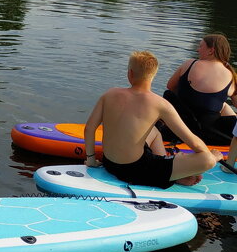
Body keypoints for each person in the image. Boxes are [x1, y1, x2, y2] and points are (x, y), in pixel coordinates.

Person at [84, 50, 221, 188]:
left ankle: (169, 172)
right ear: (153, 76)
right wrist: (213, 155)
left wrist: (91, 159)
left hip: (109, 163)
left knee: (155, 132)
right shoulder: (160, 104)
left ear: (130, 73)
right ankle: (170, 175)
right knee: (207, 160)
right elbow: (193, 142)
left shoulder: (109, 94)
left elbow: (89, 129)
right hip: (135, 171)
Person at [164, 34, 237, 145]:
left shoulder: (189, 64)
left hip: (179, 127)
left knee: (169, 95)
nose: (198, 50)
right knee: (223, 106)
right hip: (208, 134)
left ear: (211, 51)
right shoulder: (230, 76)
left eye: (201, 46)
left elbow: (170, 86)